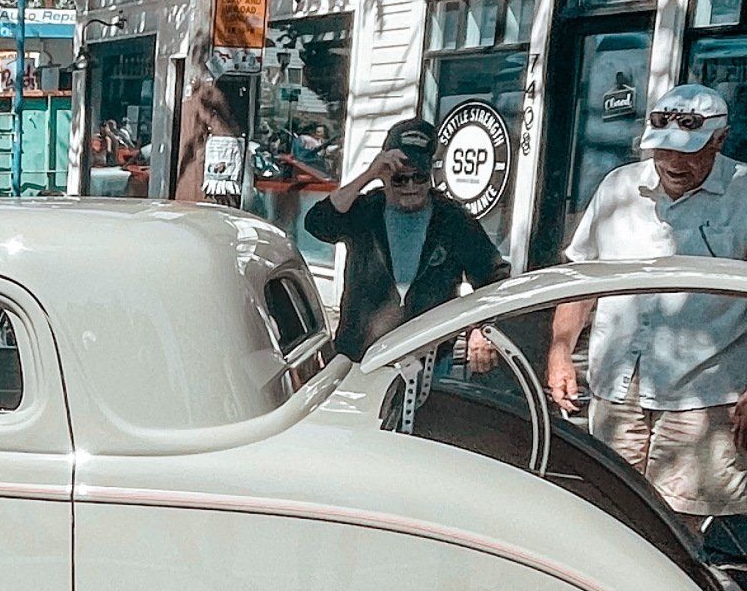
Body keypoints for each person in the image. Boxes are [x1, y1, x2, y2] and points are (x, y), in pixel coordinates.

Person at [548, 82, 747, 515]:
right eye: (663, 150)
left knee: (678, 522)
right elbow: (582, 276)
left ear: (719, 140)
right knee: (608, 508)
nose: (673, 163)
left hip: (704, 392)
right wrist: (561, 350)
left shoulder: (743, 194)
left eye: (688, 151)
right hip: (617, 383)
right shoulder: (619, 187)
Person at [304, 116, 505, 364]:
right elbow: (317, 223)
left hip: (428, 360)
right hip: (360, 358)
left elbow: (494, 276)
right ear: (386, 176)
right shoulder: (366, 210)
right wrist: (367, 176)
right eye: (400, 178)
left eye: (418, 177)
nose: (410, 186)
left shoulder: (453, 219)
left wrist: (479, 328)